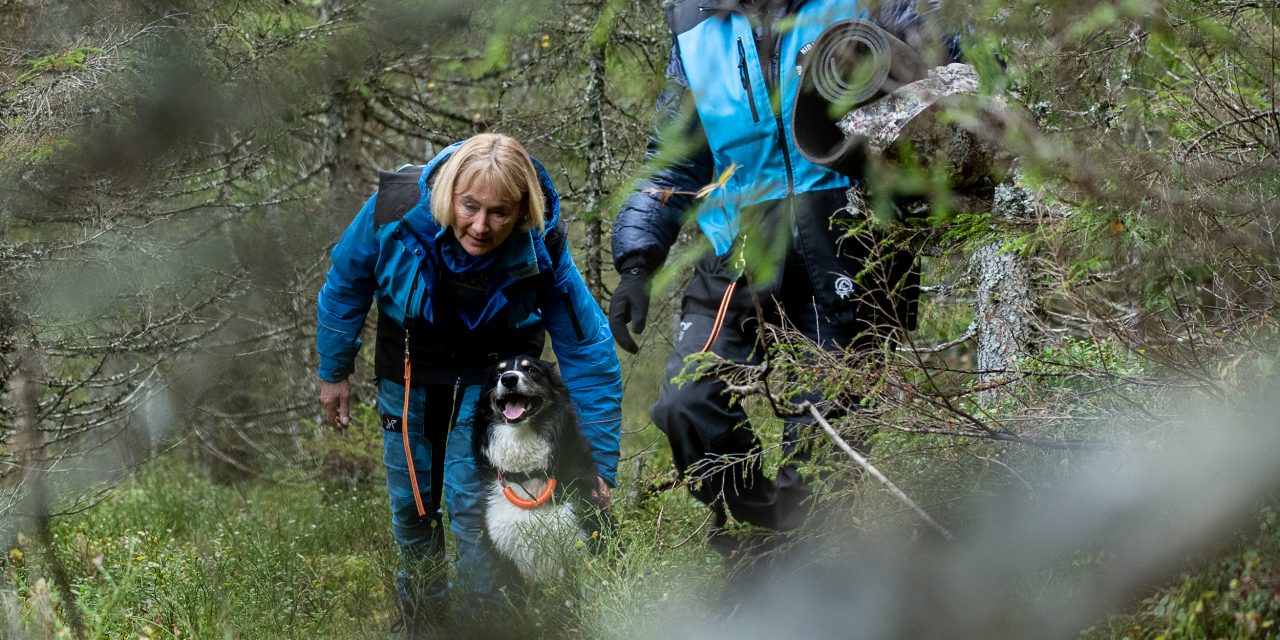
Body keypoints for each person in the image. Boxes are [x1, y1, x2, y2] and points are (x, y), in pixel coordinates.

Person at [610, 0, 955, 541]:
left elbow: (951, 75)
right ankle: (763, 530)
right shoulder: (695, 23)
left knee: (824, 429)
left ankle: (802, 556)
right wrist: (636, 260)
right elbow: (675, 160)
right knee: (685, 405)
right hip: (740, 249)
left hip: (849, 235)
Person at [316, 133, 622, 630]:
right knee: (412, 509)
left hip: (494, 382)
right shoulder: (393, 211)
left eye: (499, 213)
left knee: (470, 503)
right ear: (449, 195)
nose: (480, 226)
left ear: (522, 211)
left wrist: (600, 463)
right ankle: (422, 618)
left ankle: (487, 623)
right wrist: (334, 372)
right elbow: (346, 282)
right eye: (469, 207)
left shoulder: (543, 246)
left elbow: (586, 348)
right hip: (409, 368)